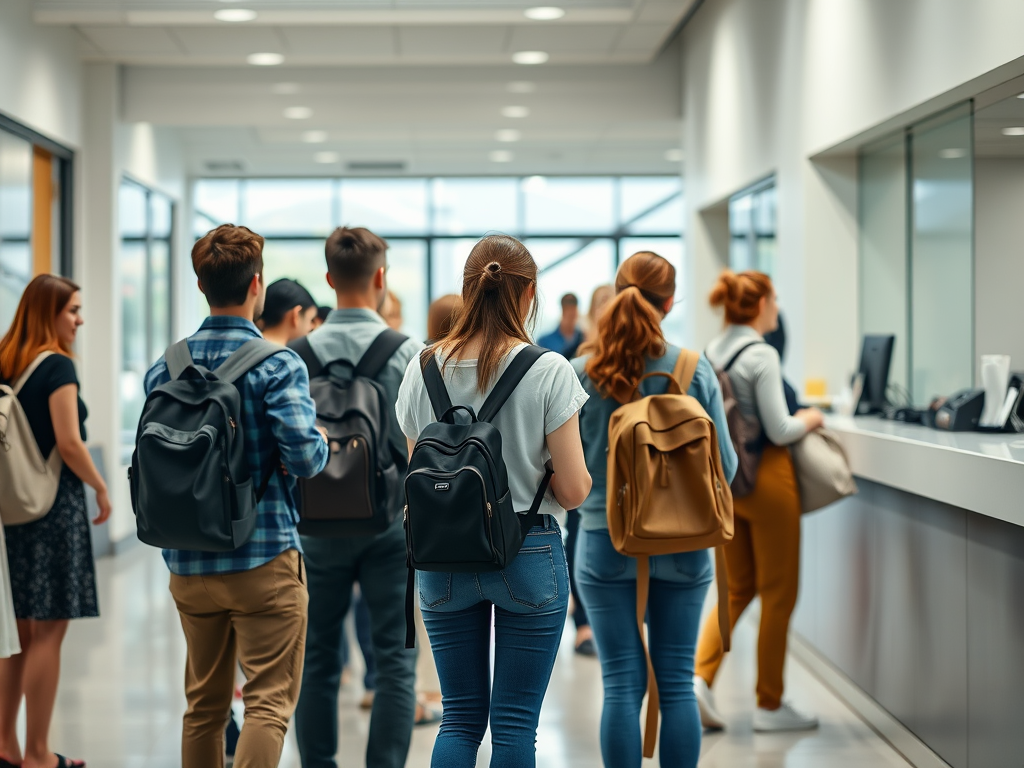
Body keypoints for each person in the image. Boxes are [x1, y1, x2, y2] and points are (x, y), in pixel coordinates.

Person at [396, 234, 592, 767]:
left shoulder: (422, 367)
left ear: (468, 290)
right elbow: (573, 490)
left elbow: (422, 472)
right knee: (514, 725)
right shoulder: (549, 369)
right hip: (528, 554)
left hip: (442, 560)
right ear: (528, 293)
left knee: (459, 718)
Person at [143, 224, 329, 767]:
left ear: (202, 285)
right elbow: (305, 459)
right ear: (256, 285)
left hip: (187, 561)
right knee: (267, 703)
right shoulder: (277, 363)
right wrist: (319, 441)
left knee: (203, 706)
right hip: (263, 558)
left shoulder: (165, 366)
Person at [571, 252, 737, 768]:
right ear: (669, 303)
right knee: (677, 682)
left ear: (615, 294)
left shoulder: (581, 374)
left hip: (605, 542)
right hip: (685, 545)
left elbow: (563, 474)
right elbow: (726, 468)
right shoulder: (693, 368)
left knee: (621, 682)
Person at [293, 227, 421, 768]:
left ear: (328, 279)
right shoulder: (407, 353)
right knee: (394, 662)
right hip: (388, 524)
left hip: (314, 525)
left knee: (316, 659)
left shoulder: (295, 356)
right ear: (380, 278)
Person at [694, 270, 825, 733]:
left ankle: (700, 679)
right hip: (768, 478)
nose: (777, 308)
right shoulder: (761, 353)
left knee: (735, 588)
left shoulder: (712, 350)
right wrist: (812, 417)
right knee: (779, 592)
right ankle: (770, 704)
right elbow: (780, 429)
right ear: (761, 304)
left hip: (730, 480)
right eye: (774, 299)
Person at [0, 275, 112, 768]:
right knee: (49, 632)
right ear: (49, 314)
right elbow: (69, 442)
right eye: (73, 310)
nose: (80, 320)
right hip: (53, 511)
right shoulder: (58, 366)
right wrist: (101, 486)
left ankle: (5, 745)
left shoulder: (5, 361)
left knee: (18, 633)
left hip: (12, 508)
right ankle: (38, 753)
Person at [565, 282, 614, 658]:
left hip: (615, 487)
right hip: (586, 483)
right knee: (578, 537)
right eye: (602, 303)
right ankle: (582, 624)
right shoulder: (578, 363)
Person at [256, 278, 318, 345]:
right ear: (296, 315)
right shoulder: (284, 352)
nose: (312, 327)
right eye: (311, 320)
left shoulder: (250, 344)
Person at [537, 293, 584, 358]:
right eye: (567, 310)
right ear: (562, 310)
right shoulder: (545, 341)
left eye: (572, 310)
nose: (570, 313)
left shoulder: (583, 338)